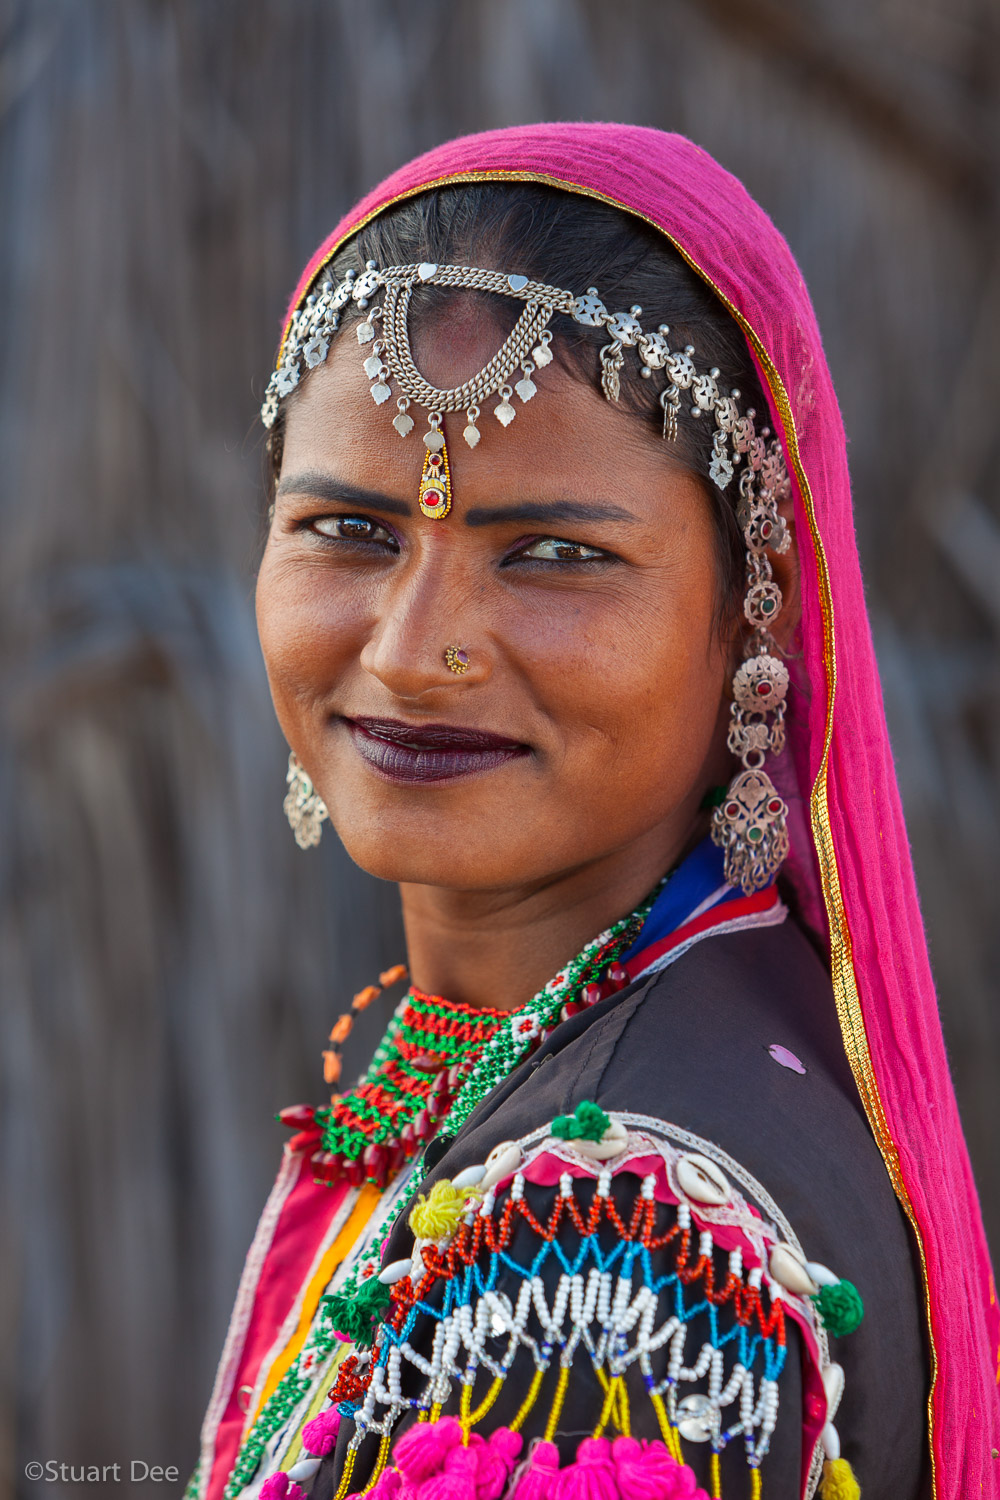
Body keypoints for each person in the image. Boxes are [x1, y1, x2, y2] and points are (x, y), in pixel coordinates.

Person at [186, 126, 999, 1500]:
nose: (409, 648)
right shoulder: (669, 1034)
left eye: (556, 554)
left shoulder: (604, 1254)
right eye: (349, 532)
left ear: (758, 615)